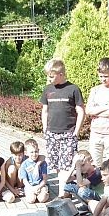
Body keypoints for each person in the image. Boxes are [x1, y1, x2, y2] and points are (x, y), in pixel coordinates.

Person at [40, 59, 85, 189]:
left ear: (61, 74)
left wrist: (76, 132)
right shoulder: (48, 89)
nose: (49, 79)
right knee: (56, 164)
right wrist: (45, 129)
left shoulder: (73, 89)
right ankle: (65, 189)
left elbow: (81, 111)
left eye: (51, 76)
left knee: (66, 164)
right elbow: (45, 110)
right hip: (52, 133)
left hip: (68, 133)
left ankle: (62, 193)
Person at [85, 57, 109, 165]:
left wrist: (97, 111)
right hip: (95, 133)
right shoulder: (95, 90)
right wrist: (107, 107)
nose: (103, 79)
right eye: (101, 76)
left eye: (106, 76)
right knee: (94, 165)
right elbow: (88, 110)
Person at [19, 138, 50, 203]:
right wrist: (31, 188)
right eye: (31, 152)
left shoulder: (43, 163)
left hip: (41, 185)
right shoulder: (24, 164)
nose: (34, 154)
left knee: (42, 199)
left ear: (38, 150)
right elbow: (25, 180)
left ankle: (46, 193)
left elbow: (44, 179)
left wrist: (39, 187)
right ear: (26, 153)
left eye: (36, 151)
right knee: (31, 200)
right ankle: (33, 195)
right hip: (30, 186)